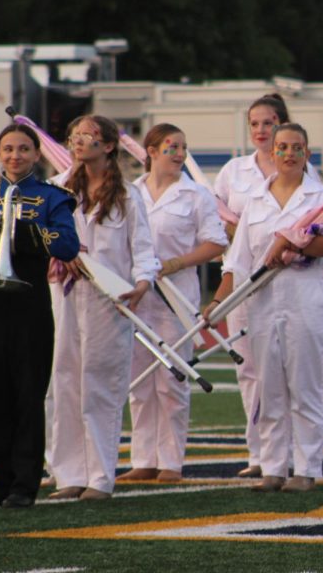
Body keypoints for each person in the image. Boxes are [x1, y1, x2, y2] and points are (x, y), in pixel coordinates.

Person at [209, 123, 323, 493]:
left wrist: (295, 245)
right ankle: (273, 466)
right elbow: (237, 262)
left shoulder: (322, 197)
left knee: (304, 386)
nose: (288, 154)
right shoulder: (254, 199)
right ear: (273, 153)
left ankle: (307, 467)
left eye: (296, 147)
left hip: (304, 298)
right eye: (282, 147)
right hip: (262, 302)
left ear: (307, 154)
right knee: (268, 388)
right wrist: (218, 302)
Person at [0, 124, 79, 508]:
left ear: (36, 155)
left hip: (30, 304)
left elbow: (68, 245)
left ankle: (24, 483)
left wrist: (21, 231)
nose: (15, 156)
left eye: (23, 149)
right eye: (7, 149)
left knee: (28, 393)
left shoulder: (53, 197)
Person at [48, 115, 159, 501]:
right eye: (74, 136)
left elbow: (143, 249)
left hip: (109, 300)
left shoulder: (128, 196)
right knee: (63, 383)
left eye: (88, 136)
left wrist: (142, 282)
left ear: (108, 145)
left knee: (101, 386)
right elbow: (39, 235)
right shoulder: (57, 188)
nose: (78, 142)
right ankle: (68, 475)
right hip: (64, 295)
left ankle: (99, 477)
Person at [119, 125, 228, 483]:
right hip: (136, 297)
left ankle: (170, 461)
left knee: (170, 379)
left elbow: (215, 243)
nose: (180, 154)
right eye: (172, 147)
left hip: (174, 298)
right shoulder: (129, 192)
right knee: (138, 380)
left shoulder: (196, 195)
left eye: (183, 147)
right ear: (150, 151)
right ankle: (143, 459)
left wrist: (177, 262)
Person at [213, 93, 312, 478]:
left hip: (290, 282)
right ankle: (261, 454)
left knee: (293, 373)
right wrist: (231, 230)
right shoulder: (234, 171)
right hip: (242, 280)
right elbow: (215, 215)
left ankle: (296, 458)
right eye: (254, 123)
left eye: (268, 123)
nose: (260, 130)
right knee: (252, 371)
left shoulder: (305, 173)